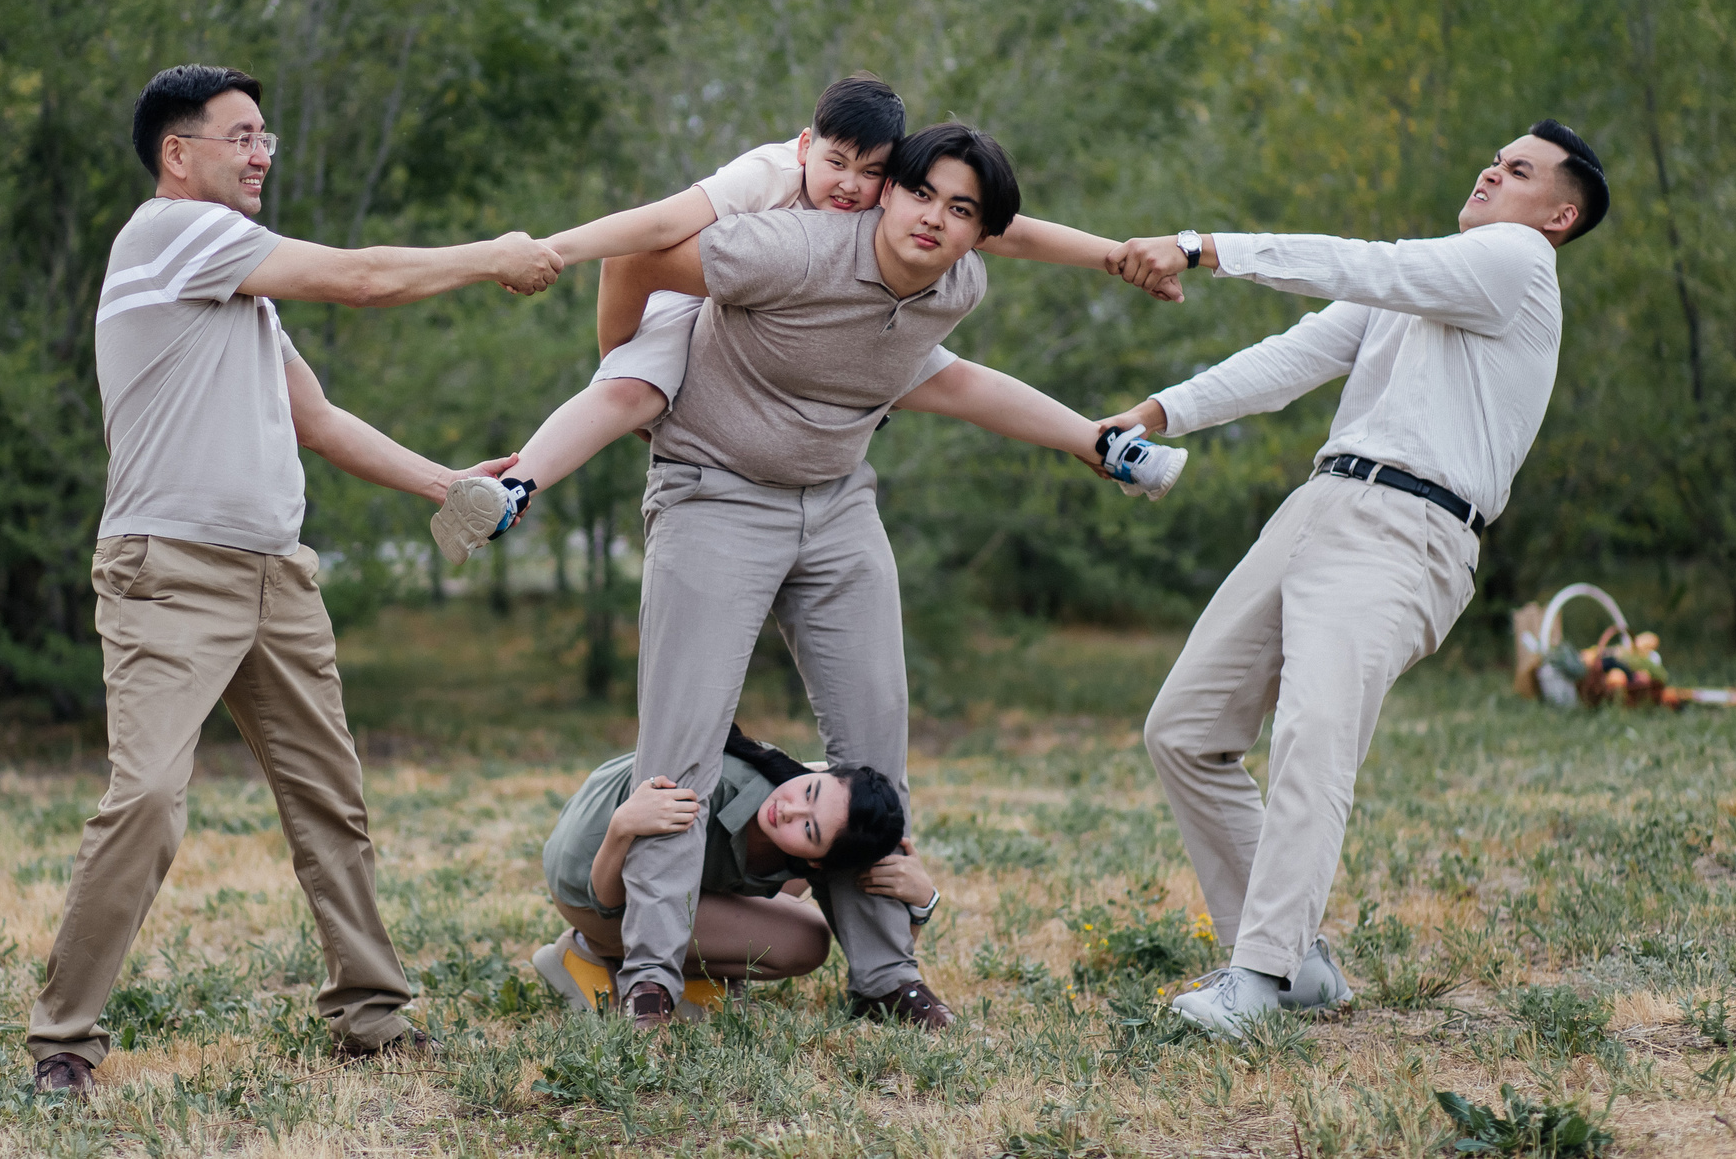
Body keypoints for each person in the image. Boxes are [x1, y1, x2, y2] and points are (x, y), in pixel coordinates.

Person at [27, 64, 564, 1096]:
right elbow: (365, 278)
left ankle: (372, 1015)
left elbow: (315, 420)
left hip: (277, 576)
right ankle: (64, 1041)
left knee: (332, 804)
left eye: (266, 135)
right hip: (169, 574)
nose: (263, 151)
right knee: (144, 803)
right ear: (177, 155)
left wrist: (446, 485)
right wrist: (493, 255)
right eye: (241, 135)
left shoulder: (237, 291)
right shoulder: (169, 234)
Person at [596, 123, 1178, 1029]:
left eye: (962, 211)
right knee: (683, 746)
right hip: (717, 494)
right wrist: (628, 376)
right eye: (921, 193)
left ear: (977, 233)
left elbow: (951, 380)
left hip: (835, 506)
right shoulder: (788, 248)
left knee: (875, 749)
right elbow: (635, 251)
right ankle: (652, 974)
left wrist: (1091, 438)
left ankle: (886, 974)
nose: (936, 219)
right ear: (886, 191)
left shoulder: (958, 285)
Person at [1107, 121, 1609, 1036]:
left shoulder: (1518, 263)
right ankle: (1296, 964)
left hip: (1409, 527)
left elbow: (1359, 262)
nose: (1493, 168)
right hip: (1320, 505)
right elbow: (1292, 358)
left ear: (1560, 214)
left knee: (1313, 736)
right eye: (1495, 156)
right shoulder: (1433, 282)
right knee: (1185, 729)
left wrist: (1201, 246)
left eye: (1521, 169)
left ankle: (1254, 981)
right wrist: (1154, 412)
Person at [430, 75, 1184, 565]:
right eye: (836, 162)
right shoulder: (765, 177)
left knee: (952, 377)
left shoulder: (900, 214)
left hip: (833, 326)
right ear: (804, 145)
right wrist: (553, 259)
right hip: (707, 312)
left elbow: (1004, 227)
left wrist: (1114, 256)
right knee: (631, 392)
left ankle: (1103, 441)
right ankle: (517, 484)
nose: (851, 186)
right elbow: (655, 228)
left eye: (872, 172)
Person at [531, 726, 941, 1015]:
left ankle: (684, 966)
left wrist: (922, 901)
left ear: (819, 857)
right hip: (590, 882)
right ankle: (587, 955)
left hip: (648, 873)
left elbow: (873, 950)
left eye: (809, 827)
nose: (791, 809)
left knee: (808, 893)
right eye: (810, 790)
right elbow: (606, 900)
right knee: (805, 941)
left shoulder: (831, 823)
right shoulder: (718, 788)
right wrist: (622, 827)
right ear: (821, 774)